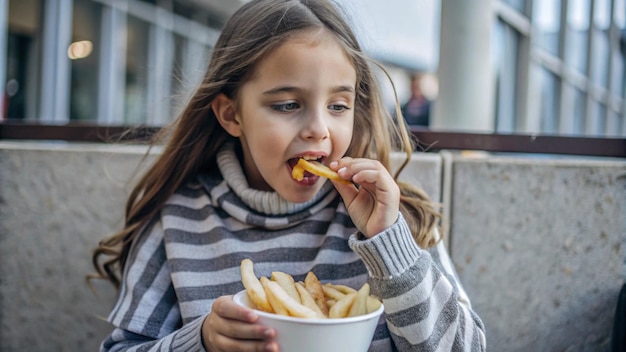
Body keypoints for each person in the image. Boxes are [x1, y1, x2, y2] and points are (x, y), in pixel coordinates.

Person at [90, 0, 486, 351]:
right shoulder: (175, 222)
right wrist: (202, 341)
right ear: (232, 114)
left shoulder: (399, 220)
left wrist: (390, 246)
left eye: (338, 105)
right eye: (287, 104)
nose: (319, 128)